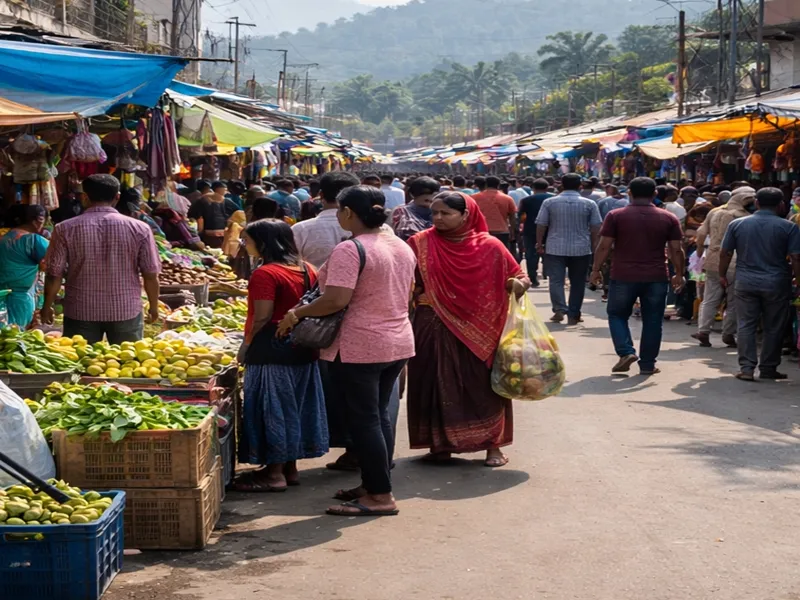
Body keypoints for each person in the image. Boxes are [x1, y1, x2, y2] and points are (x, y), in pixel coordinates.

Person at [277, 185, 416, 517]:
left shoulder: (351, 249)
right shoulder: (399, 245)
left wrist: (296, 314)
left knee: (366, 420)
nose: (338, 215)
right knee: (378, 416)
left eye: (340, 210)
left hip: (360, 345)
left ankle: (380, 495)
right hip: (396, 341)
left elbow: (335, 299)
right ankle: (373, 484)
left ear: (349, 213)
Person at [407, 192, 529, 468]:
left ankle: (492, 447)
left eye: (445, 213)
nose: (437, 218)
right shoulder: (420, 243)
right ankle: (440, 446)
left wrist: (518, 285)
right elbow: (408, 280)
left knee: (483, 386)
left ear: (466, 215)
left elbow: (519, 275)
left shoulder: (490, 246)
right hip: (433, 324)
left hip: (482, 328)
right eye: (434, 213)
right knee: (434, 383)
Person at [234, 219, 328, 492]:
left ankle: (273, 474)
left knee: (272, 408)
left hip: (271, 348)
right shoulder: (307, 268)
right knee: (295, 406)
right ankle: (290, 468)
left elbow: (262, 317)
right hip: (302, 348)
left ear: (263, 243)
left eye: (247, 240)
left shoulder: (265, 273)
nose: (244, 245)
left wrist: (245, 346)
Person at [42, 174, 160, 343]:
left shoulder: (64, 229)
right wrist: (154, 307)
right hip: (125, 310)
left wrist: (47, 307)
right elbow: (150, 274)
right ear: (117, 197)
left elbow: (54, 274)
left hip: (81, 310)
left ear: (84, 197)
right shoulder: (140, 228)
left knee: (80, 362)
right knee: (126, 364)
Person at [590, 177, 685, 375]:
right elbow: (676, 249)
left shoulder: (615, 215)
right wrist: (679, 273)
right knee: (653, 320)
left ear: (629, 193)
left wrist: (595, 270)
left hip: (623, 274)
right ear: (655, 194)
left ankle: (626, 351)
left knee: (617, 314)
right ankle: (648, 364)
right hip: (657, 275)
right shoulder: (668, 218)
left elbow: (604, 245)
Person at [720, 187, 800, 381]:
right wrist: (798, 279)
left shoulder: (737, 224)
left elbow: (725, 253)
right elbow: (796, 258)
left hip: (745, 281)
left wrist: (722, 274)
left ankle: (746, 368)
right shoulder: (788, 227)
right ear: (781, 205)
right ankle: (768, 368)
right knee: (774, 326)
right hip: (776, 283)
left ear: (756, 203)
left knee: (746, 324)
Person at [692, 186, 755, 348]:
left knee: (710, 298)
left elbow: (700, 234)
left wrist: (699, 254)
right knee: (734, 300)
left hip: (712, 260)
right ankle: (728, 334)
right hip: (735, 262)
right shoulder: (745, 217)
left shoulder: (714, 212)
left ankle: (703, 331)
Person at [536, 173, 602, 325]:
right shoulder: (589, 204)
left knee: (556, 280)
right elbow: (595, 228)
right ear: (580, 186)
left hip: (554, 247)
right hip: (581, 249)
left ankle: (559, 309)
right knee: (578, 282)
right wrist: (594, 247)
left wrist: (539, 243)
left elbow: (541, 224)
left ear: (562, 185)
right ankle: (574, 314)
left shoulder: (549, 202)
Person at [292, 171, 359, 268]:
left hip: (312, 282)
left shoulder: (300, 229)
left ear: (321, 195)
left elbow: (291, 265)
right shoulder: (368, 228)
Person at [0, 204, 49, 327]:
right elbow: (53, 264)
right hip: (22, 298)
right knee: (18, 337)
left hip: (2, 295)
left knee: (6, 337)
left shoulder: (4, 238)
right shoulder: (34, 240)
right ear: (37, 221)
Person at [518, 178, 553, 287]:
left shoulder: (526, 200)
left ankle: (533, 278)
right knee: (549, 252)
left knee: (531, 253)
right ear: (547, 188)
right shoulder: (553, 199)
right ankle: (547, 272)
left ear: (532, 188)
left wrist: (522, 223)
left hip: (530, 230)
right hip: (550, 230)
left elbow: (522, 216)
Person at [471, 175, 518, 250]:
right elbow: (512, 217)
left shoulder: (473, 198)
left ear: (485, 184)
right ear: (498, 185)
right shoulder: (507, 198)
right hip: (502, 232)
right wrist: (512, 232)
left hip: (481, 232)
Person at [391, 176, 438, 241]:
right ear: (412, 194)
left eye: (434, 193)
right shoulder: (402, 211)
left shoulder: (440, 211)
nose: (429, 196)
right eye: (423, 193)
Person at [187, 181, 232, 248]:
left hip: (209, 234)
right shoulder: (226, 200)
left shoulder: (201, 200)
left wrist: (199, 234)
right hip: (224, 233)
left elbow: (199, 219)